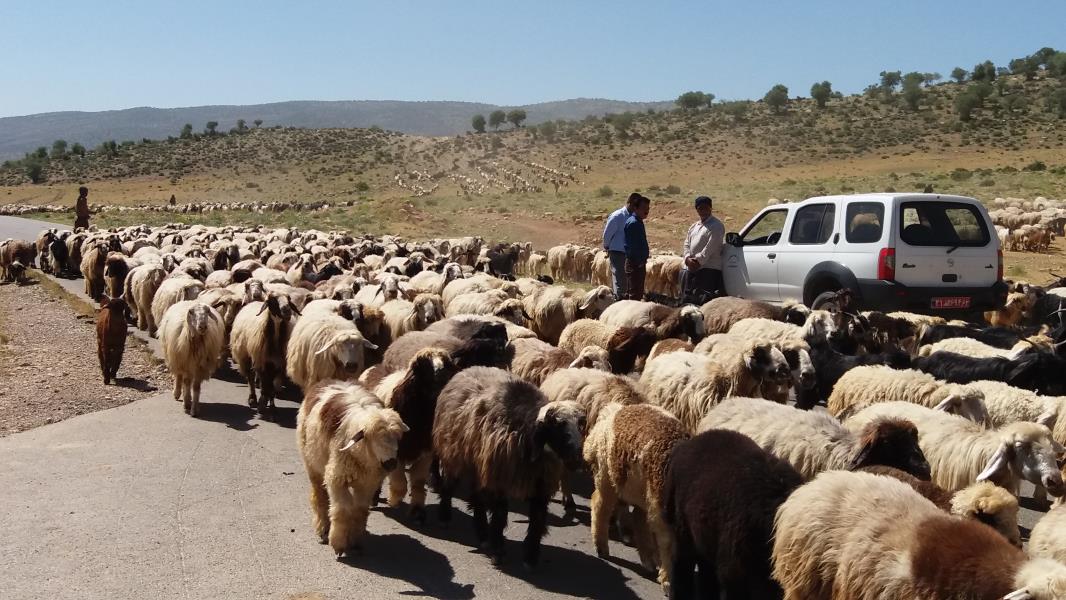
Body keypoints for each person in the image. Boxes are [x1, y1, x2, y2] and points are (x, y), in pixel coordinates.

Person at [681, 195, 726, 303]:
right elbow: (687, 243)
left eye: (706, 207)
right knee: (688, 299)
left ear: (711, 208)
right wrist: (687, 258)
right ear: (696, 209)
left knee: (703, 301)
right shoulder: (694, 226)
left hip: (708, 269)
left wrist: (697, 261)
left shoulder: (716, 226)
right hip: (692, 267)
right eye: (700, 208)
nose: (703, 210)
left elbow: (710, 247)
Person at [602, 193, 641, 298]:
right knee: (620, 280)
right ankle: (618, 302)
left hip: (631, 254)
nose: (635, 208)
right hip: (618, 252)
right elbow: (607, 233)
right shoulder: (617, 216)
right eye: (634, 205)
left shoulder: (635, 217)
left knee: (630, 281)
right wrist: (606, 246)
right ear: (629, 203)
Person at [623, 194, 651, 300]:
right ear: (635, 208)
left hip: (637, 263)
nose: (646, 211)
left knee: (637, 292)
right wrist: (639, 261)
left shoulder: (638, 222)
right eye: (644, 208)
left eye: (648, 208)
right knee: (634, 293)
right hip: (635, 264)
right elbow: (631, 246)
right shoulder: (633, 223)